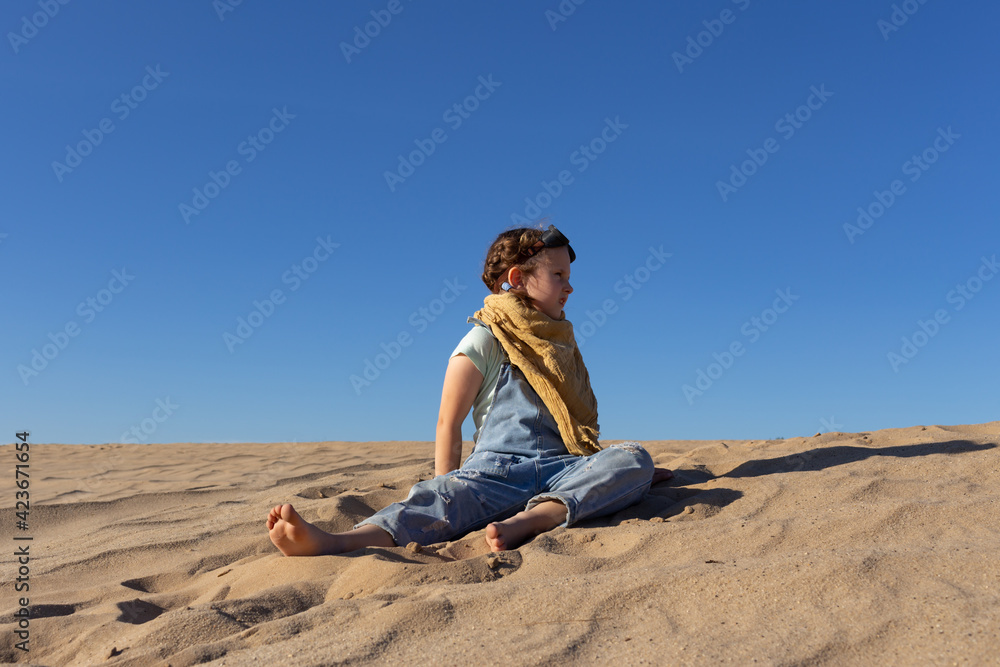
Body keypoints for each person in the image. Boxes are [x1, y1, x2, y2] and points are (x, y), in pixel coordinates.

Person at [267, 225, 672, 556]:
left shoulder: (559, 346)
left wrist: (611, 472)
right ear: (517, 278)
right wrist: (449, 485)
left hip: (561, 468)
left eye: (569, 277)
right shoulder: (484, 339)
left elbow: (578, 432)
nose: (569, 287)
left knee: (634, 457)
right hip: (495, 474)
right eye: (558, 275)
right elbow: (449, 421)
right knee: (429, 506)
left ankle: (531, 520)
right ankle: (334, 542)